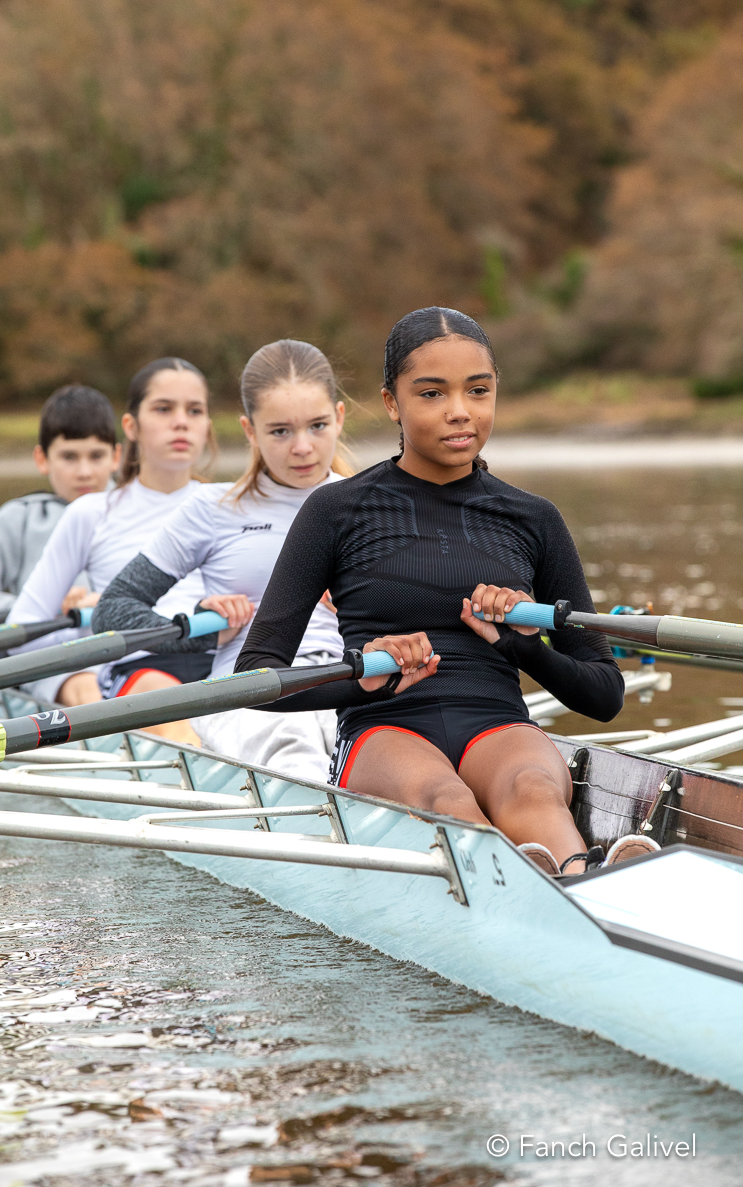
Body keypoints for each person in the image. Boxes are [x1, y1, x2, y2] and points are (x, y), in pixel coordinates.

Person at [234, 307, 652, 875]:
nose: (461, 412)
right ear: (391, 403)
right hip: (383, 729)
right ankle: (540, 881)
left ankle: (579, 883)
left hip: (498, 724)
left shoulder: (534, 518)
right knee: (447, 798)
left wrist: (524, 646)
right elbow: (256, 678)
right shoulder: (335, 511)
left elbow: (604, 696)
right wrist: (365, 677)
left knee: (532, 787)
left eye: (478, 391)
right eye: (432, 394)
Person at [92, 339, 350, 781]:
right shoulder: (212, 509)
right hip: (250, 693)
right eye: (280, 431)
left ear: (340, 418)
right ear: (250, 431)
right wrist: (197, 632)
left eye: (318, 426)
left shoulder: (380, 504)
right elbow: (112, 611)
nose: (303, 447)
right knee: (294, 741)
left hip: (354, 681)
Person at [6, 357, 239, 745]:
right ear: (131, 427)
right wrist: (92, 620)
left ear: (207, 427)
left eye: (194, 411)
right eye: (164, 409)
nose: (181, 421)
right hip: (139, 668)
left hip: (227, 662)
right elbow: (23, 631)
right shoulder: (91, 512)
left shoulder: (235, 507)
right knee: (166, 702)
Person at [0, 384, 120, 616]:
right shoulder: (17, 519)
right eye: (69, 457)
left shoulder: (139, 512)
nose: (84, 471)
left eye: (96, 456)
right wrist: (45, 605)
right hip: (46, 643)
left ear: (116, 457)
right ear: (42, 459)